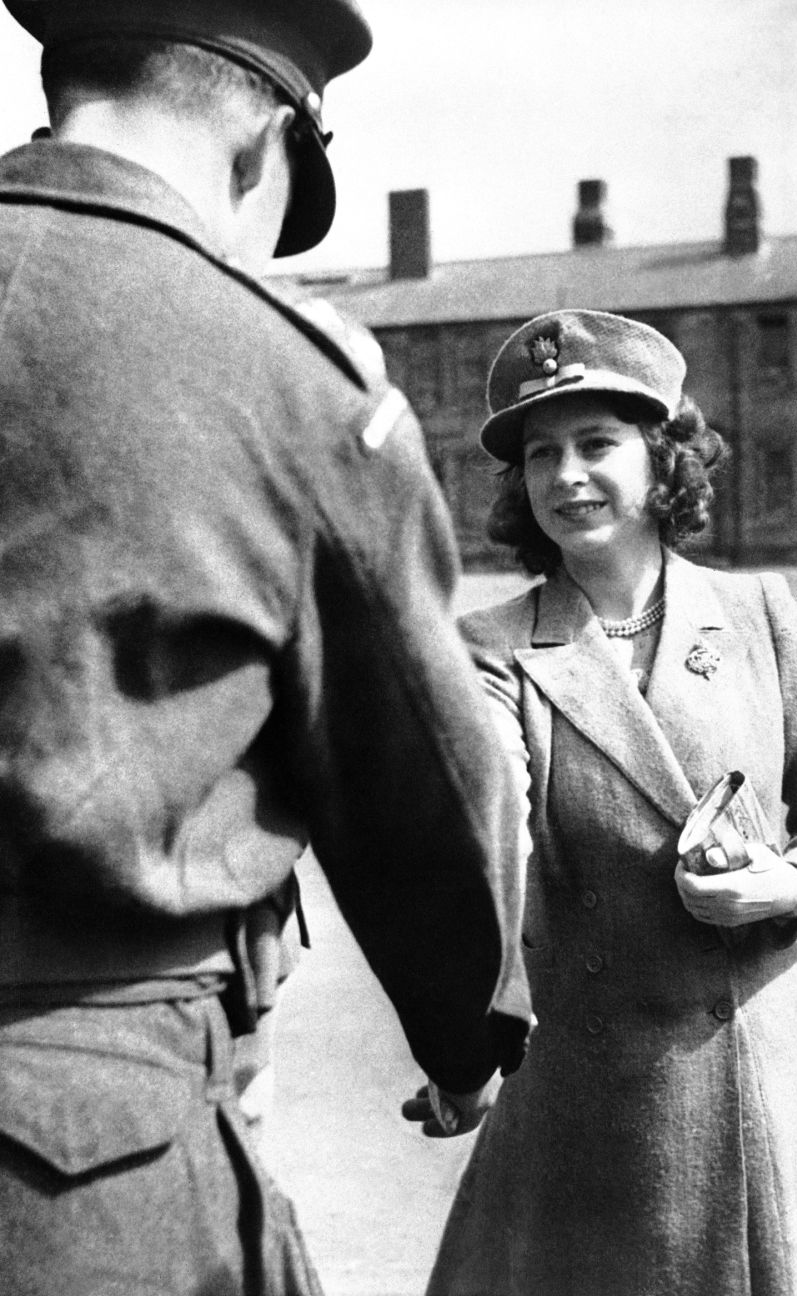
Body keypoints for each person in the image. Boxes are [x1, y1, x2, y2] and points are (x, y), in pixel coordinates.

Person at [0, 2, 532, 1292]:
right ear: (262, 145)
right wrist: (464, 1040)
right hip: (80, 1144)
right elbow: (426, 795)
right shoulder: (291, 381)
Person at [419, 309, 797, 1296]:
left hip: (739, 1081)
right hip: (577, 1093)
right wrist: (464, 1047)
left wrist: (789, 883)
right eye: (541, 454)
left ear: (663, 458)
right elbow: (495, 839)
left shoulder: (759, 614)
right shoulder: (491, 646)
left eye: (597, 444)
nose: (567, 477)